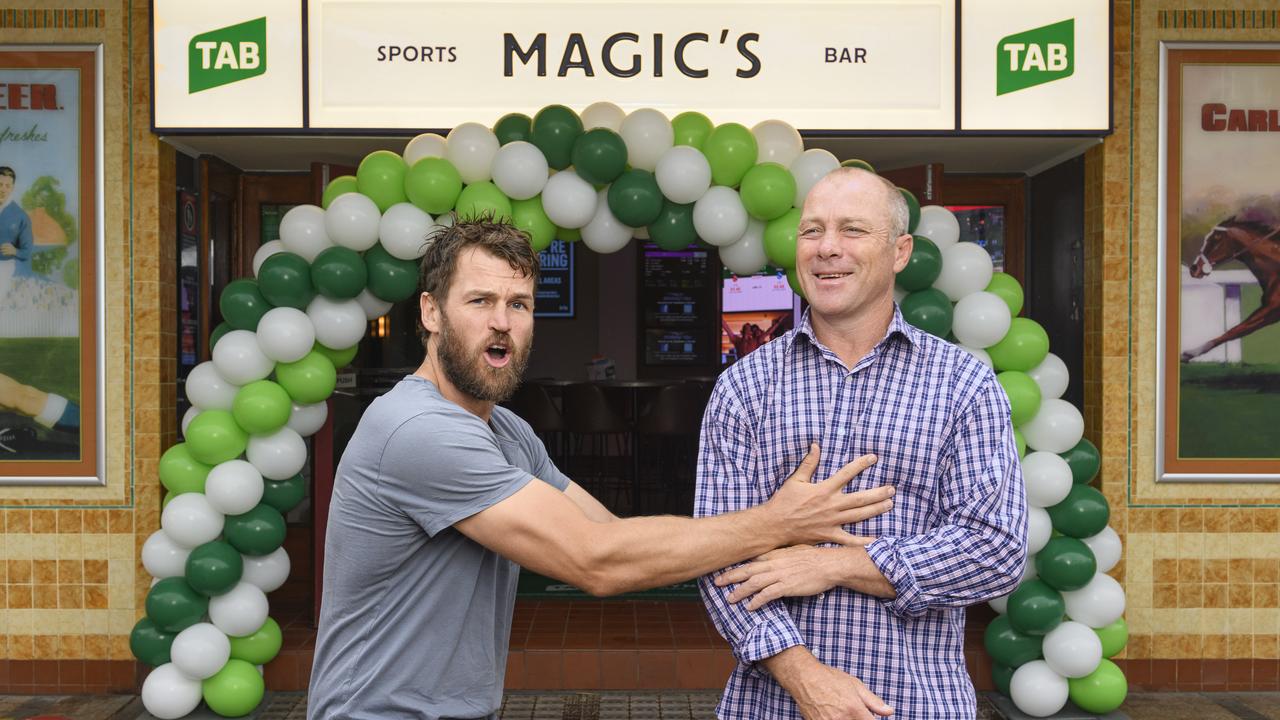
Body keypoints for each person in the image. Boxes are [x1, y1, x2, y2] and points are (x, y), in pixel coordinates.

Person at [308, 217, 897, 720]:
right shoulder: (418, 430)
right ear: (432, 313)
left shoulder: (506, 432)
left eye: (519, 304)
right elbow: (594, 561)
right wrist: (777, 523)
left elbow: (613, 534)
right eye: (480, 301)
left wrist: (821, 561)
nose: (502, 322)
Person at [696, 168, 1027, 720]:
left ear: (900, 252)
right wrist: (805, 678)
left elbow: (996, 549)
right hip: (773, 706)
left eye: (852, 230)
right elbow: (715, 557)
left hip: (917, 702)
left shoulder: (962, 383)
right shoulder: (745, 387)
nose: (827, 248)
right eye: (811, 231)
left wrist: (837, 565)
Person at [0, 167, 34, 301]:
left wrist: (15, 251)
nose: (2, 189)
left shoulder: (20, 216)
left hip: (4, 267)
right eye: (0, 184)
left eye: (7, 186)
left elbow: (26, 251)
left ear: (12, 188)